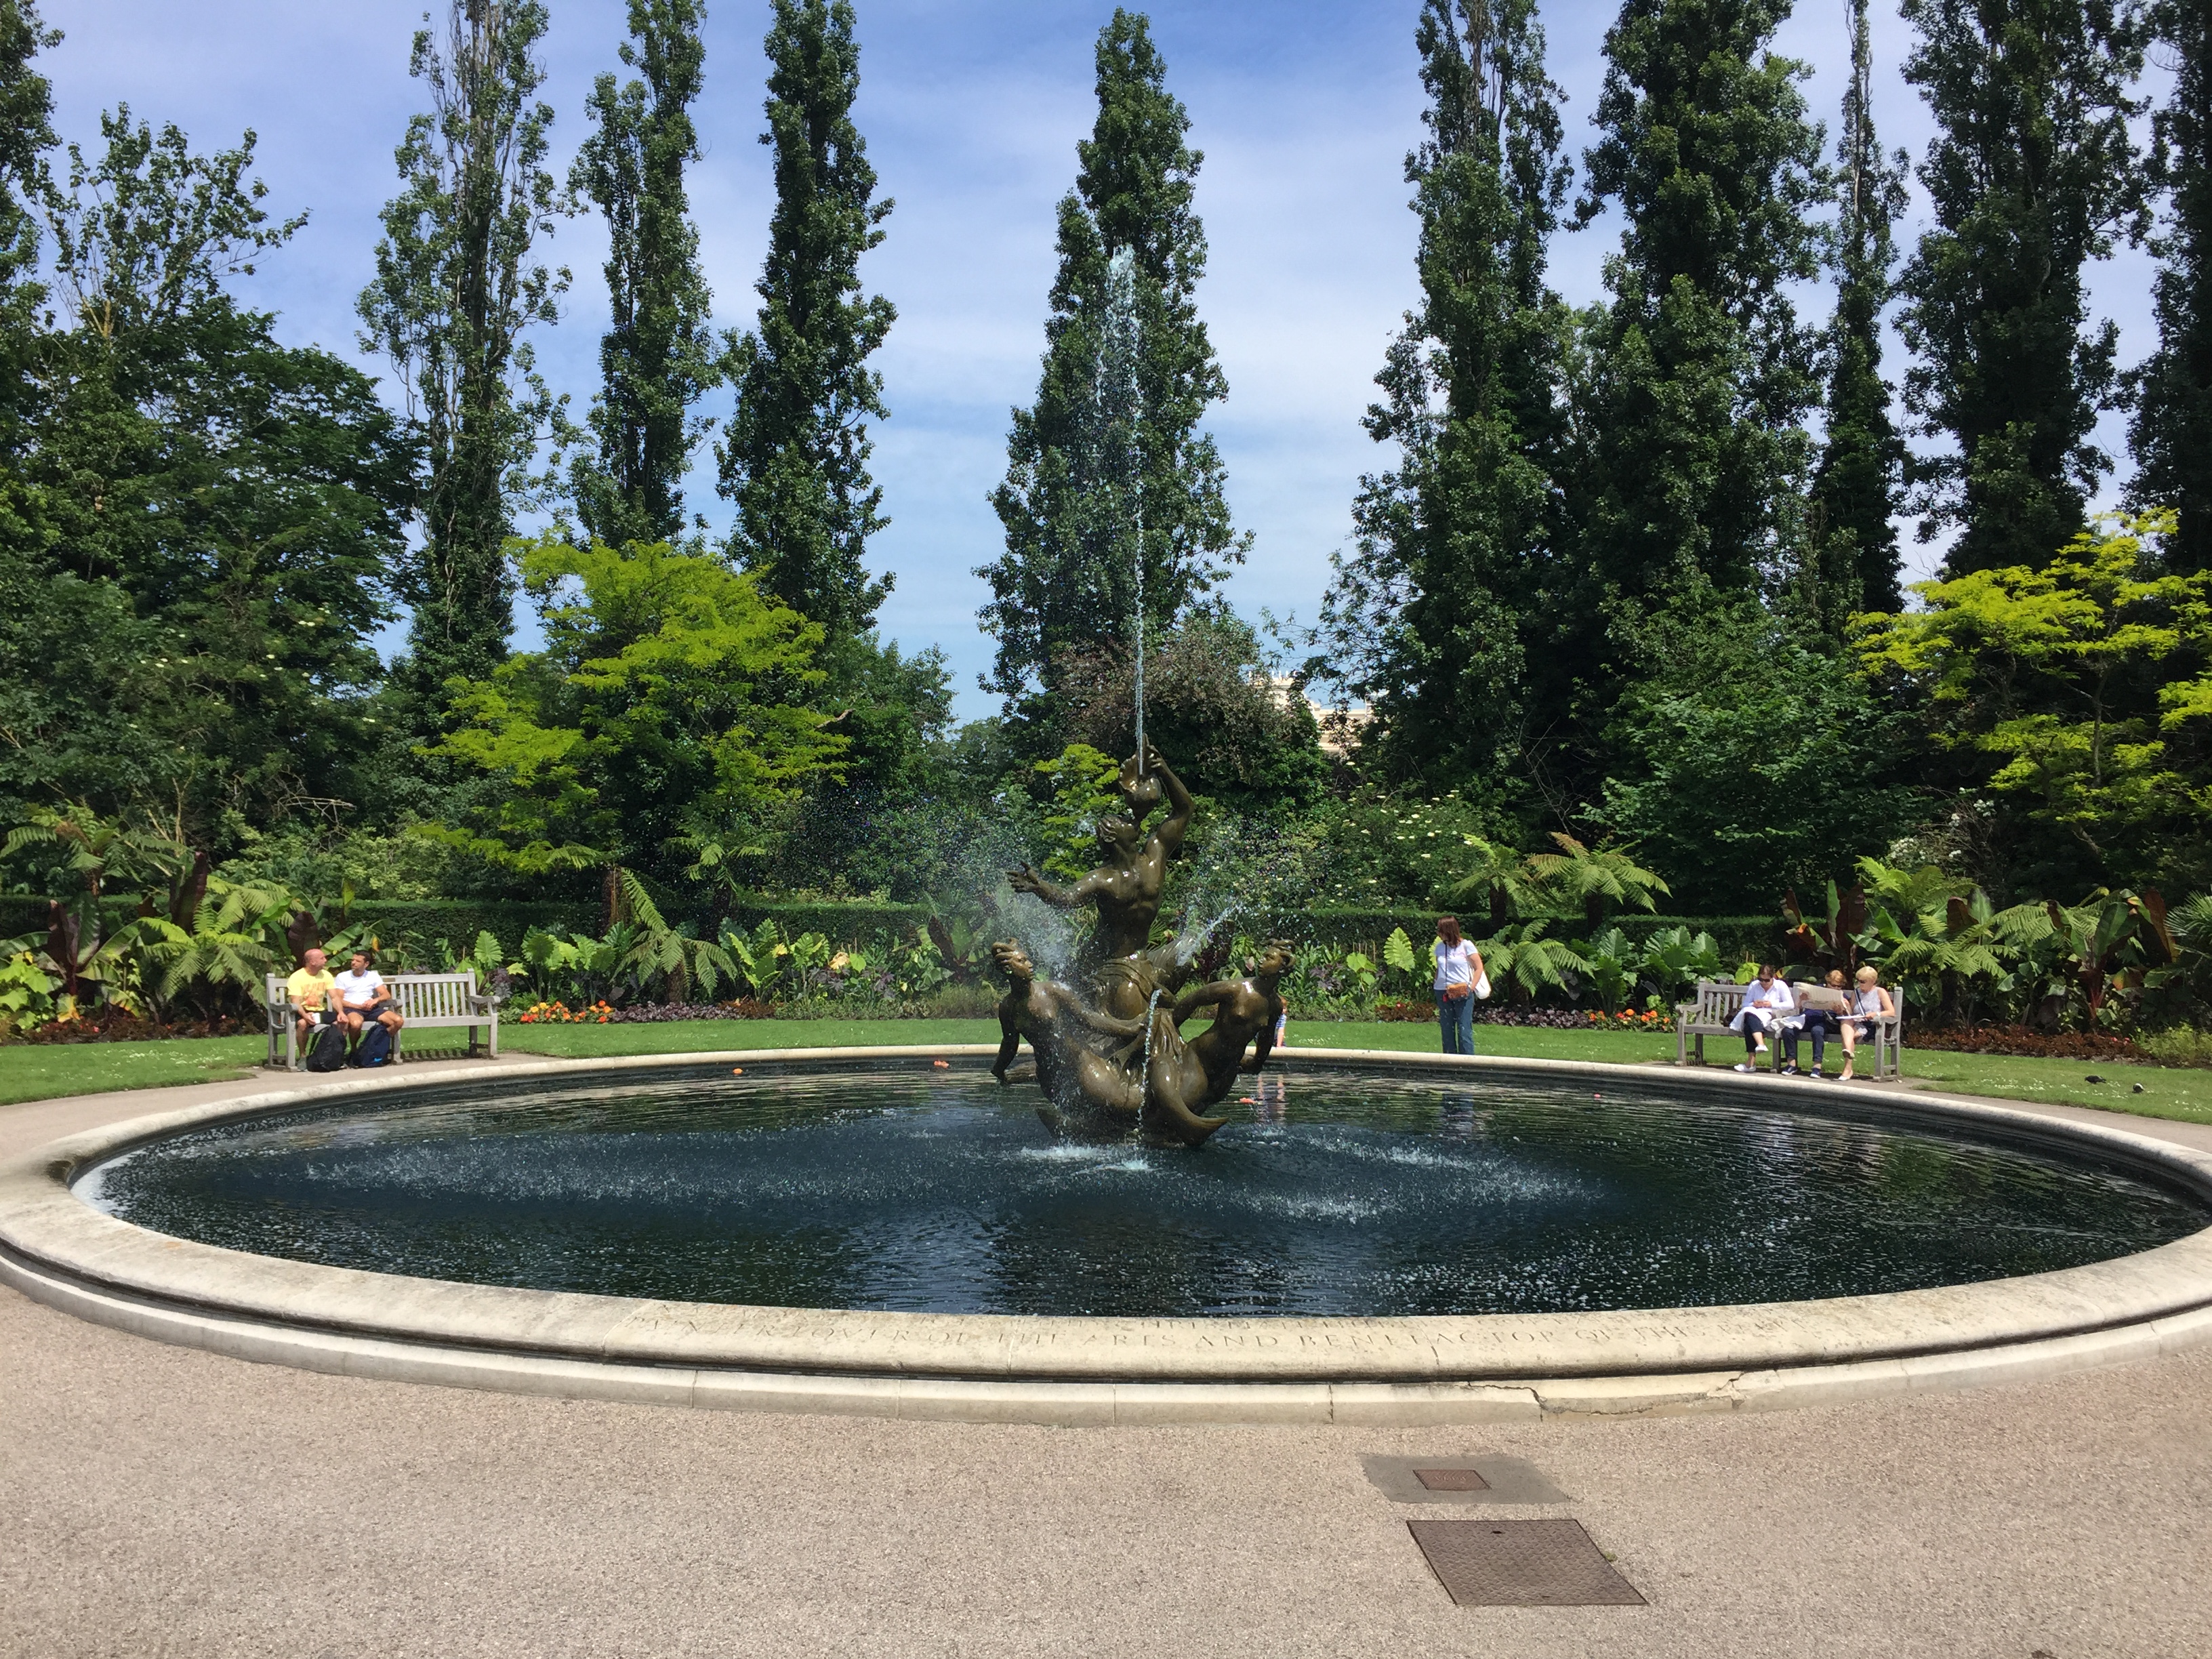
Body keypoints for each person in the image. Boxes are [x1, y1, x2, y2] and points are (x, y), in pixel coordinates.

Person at [1781, 970, 1851, 1078]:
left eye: (1839, 986)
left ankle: (1817, 1067)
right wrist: (1801, 999)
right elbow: (1799, 1006)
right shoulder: (1816, 989)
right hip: (1806, 1018)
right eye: (1834, 985)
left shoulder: (1842, 996)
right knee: (1788, 1030)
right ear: (1828, 982)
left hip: (1823, 1021)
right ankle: (1792, 1064)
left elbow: (1848, 1016)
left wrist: (1841, 1010)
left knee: (1817, 1031)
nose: (1836, 988)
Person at [1432, 917, 1484, 1056]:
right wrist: (1436, 981)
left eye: (1441, 930)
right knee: (1447, 1028)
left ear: (1449, 931)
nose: (1438, 933)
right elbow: (1439, 967)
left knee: (1464, 1029)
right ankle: (1449, 1060)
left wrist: (1471, 987)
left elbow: (1479, 967)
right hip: (1442, 990)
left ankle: (1468, 1062)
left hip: (1463, 991)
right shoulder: (1440, 948)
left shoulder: (1466, 946)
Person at [1836, 965, 1897, 1082]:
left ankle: (1848, 1068)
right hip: (1858, 1023)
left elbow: (1891, 1012)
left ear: (1872, 981)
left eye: (1863, 981)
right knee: (1846, 1022)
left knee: (1847, 1037)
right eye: (1858, 981)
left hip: (1873, 1025)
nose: (1860, 984)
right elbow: (1852, 1012)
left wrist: (1876, 1014)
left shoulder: (1880, 992)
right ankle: (1848, 1054)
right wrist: (1845, 1006)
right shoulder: (1856, 993)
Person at [331, 951, 405, 1046]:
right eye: (353, 960)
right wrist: (358, 1006)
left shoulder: (373, 976)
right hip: (351, 1008)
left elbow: (386, 995)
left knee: (398, 1021)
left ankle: (373, 1044)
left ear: (366, 964)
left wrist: (375, 1000)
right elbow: (339, 999)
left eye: (358, 961)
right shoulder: (343, 977)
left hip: (370, 1008)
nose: (353, 962)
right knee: (356, 1023)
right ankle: (354, 1049)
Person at [1729, 964, 1795, 1071]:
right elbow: (1745, 1005)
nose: (1763, 983)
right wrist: (1754, 1004)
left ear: (1773, 977)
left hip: (1771, 1015)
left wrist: (1771, 1004)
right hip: (1754, 1013)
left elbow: (1790, 1005)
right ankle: (1760, 1045)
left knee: (1748, 1025)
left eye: (1766, 980)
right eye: (1761, 980)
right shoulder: (1754, 985)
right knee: (1749, 1016)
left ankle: (1750, 1064)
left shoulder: (1781, 986)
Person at [285, 947, 338, 1056]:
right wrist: (305, 1016)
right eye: (322, 958)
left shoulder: (326, 975)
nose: (325, 961)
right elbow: (295, 1001)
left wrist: (341, 1013)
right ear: (313, 962)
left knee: (343, 1022)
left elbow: (335, 997)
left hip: (319, 1011)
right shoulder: (297, 977)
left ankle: (332, 1054)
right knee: (303, 1024)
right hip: (302, 1011)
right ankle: (303, 1055)